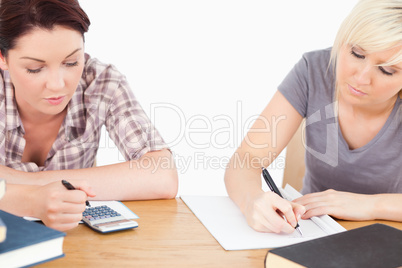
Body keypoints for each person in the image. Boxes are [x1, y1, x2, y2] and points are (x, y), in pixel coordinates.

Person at [225, 0, 402, 234]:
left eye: (386, 70)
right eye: (357, 54)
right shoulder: (313, 70)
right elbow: (246, 158)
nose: (361, 78)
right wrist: (253, 201)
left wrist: (369, 205)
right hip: (310, 231)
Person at [0, 0, 178, 231]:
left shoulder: (101, 82)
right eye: (35, 68)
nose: (57, 85)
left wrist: (22, 182)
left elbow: (162, 175)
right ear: (3, 58)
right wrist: (32, 199)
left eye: (72, 62)